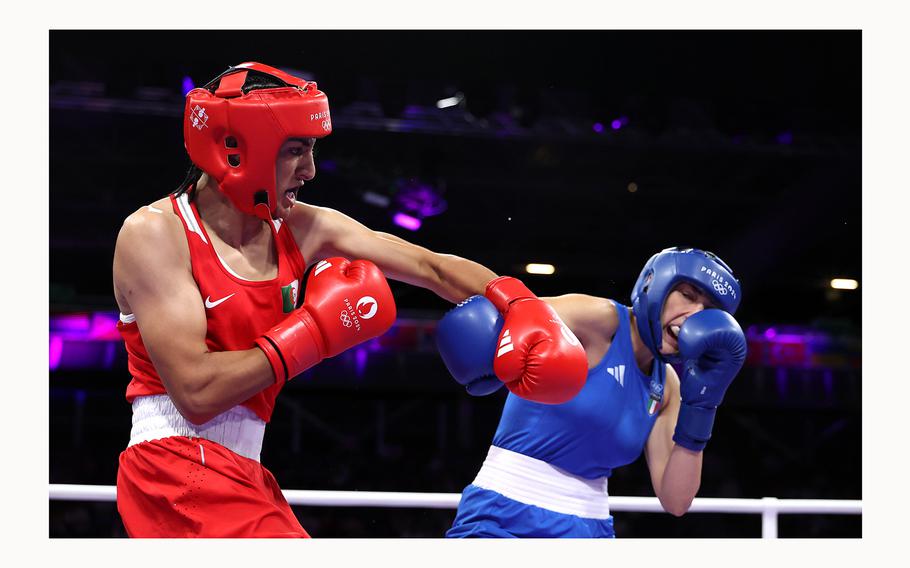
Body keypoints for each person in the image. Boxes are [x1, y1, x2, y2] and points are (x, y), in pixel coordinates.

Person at [112, 61, 588, 537]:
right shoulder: (156, 234)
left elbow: (431, 267)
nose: (310, 170)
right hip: (175, 468)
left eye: (312, 150)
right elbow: (196, 394)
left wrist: (518, 302)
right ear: (238, 149)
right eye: (296, 151)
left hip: (243, 470)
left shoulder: (303, 228)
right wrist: (313, 332)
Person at [436, 247, 748, 538]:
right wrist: (421, 264)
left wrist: (704, 403)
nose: (696, 313)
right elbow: (502, 301)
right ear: (656, 285)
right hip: (504, 510)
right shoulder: (598, 319)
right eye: (687, 295)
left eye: (708, 309)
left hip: (590, 526)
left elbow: (676, 500)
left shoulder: (668, 386)